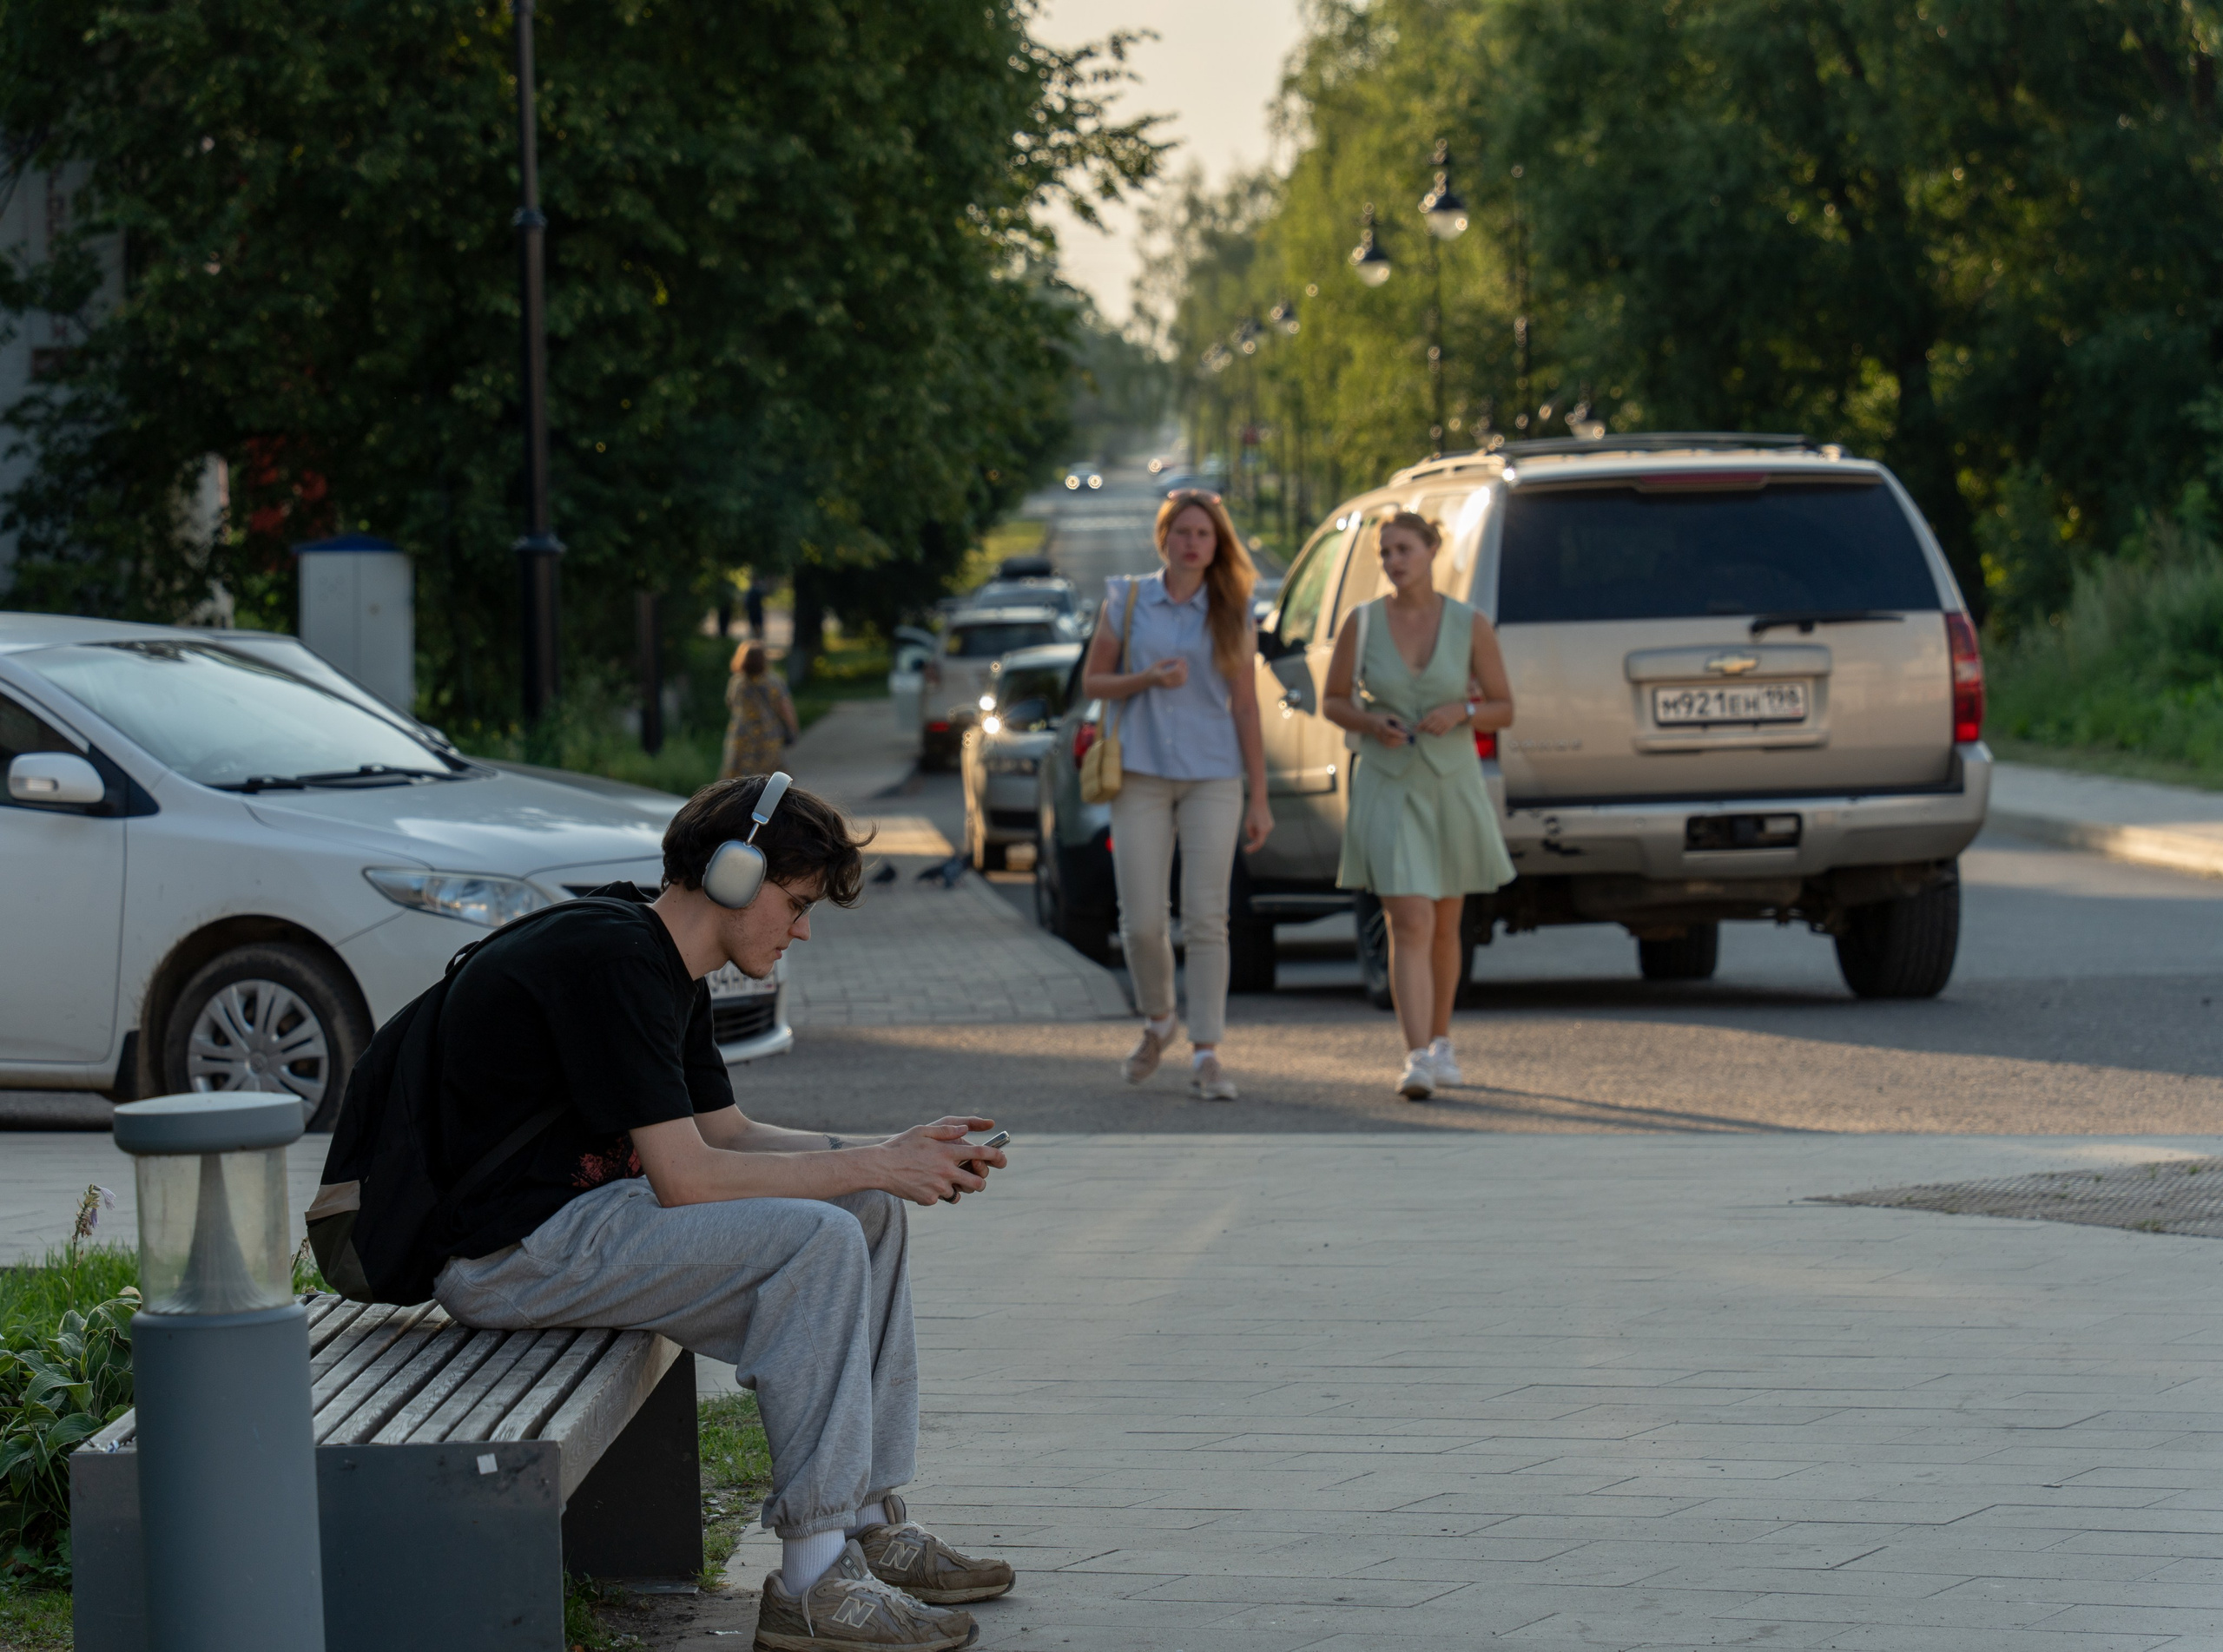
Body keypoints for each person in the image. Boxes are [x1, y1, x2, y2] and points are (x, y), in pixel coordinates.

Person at [427, 774, 1013, 1650]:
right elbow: (688, 1180)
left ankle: (864, 1523)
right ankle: (811, 1584)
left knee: (863, 1210)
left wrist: (888, 1155)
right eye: (797, 901)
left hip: (582, 1224)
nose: (803, 927)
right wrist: (874, 1163)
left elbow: (726, 1135)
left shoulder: (668, 970)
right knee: (818, 1236)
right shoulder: (614, 959)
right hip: (506, 1253)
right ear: (734, 874)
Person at [1079, 489, 1274, 1102]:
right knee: (1139, 922)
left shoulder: (1231, 606)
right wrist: (1147, 678)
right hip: (1139, 772)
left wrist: (1261, 796)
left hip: (1214, 775)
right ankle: (1159, 1018)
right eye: (1183, 531)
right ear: (1163, 536)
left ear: (1217, 545)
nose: (1193, 542)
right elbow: (1093, 680)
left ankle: (1208, 1050)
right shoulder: (1127, 598)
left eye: (1204, 534)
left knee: (1206, 916)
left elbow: (1246, 706)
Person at [1323, 510, 1516, 1100]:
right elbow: (1332, 700)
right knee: (1409, 917)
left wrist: (1463, 711)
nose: (1394, 560)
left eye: (1404, 548)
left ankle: (1441, 1042)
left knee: (1445, 924)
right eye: (1386, 552)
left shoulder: (1470, 624)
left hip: (1450, 781)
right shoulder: (1362, 623)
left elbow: (1505, 707)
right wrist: (1366, 719)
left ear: (1433, 549)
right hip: (1387, 781)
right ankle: (1415, 1057)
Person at [720, 642, 798, 780]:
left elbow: (730, 704)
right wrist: (793, 728)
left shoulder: (737, 683)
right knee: (769, 778)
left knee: (739, 779)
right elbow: (785, 708)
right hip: (768, 735)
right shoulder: (774, 681)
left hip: (742, 736)